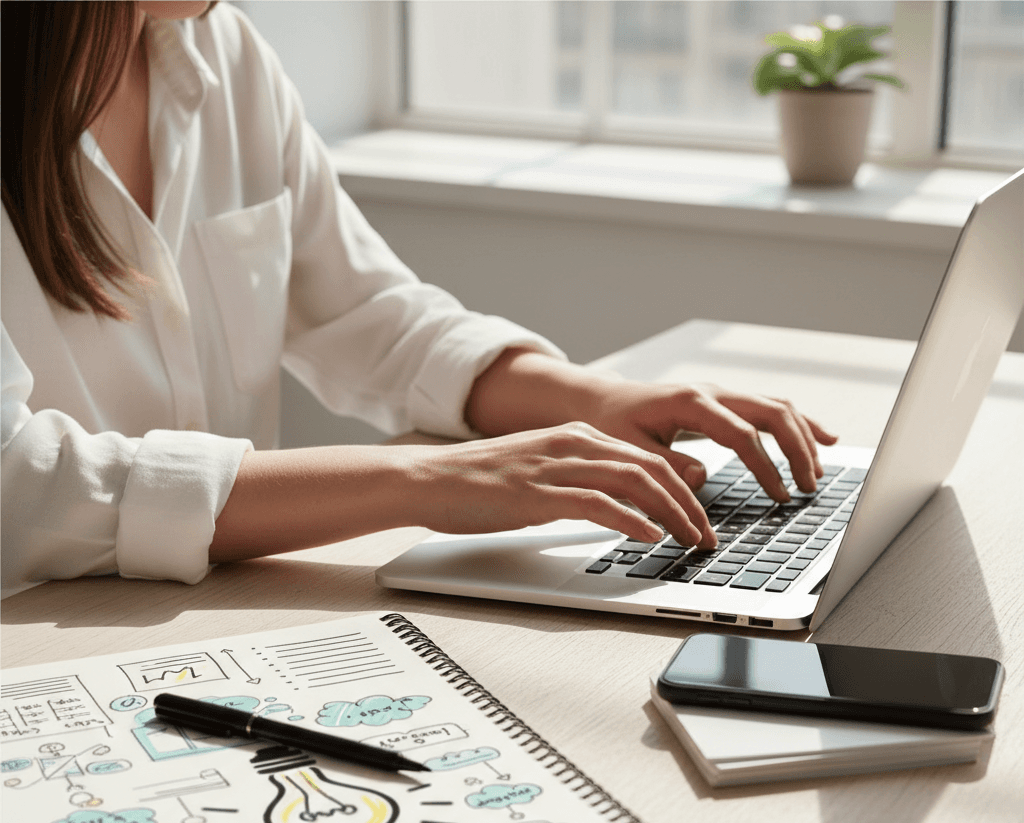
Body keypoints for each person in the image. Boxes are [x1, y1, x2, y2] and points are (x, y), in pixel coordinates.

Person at [0, 1, 837, 600]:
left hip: (211, 618)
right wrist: (423, 479)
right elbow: (18, 482)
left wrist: (593, 399)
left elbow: (368, 312)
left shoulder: (223, 52)